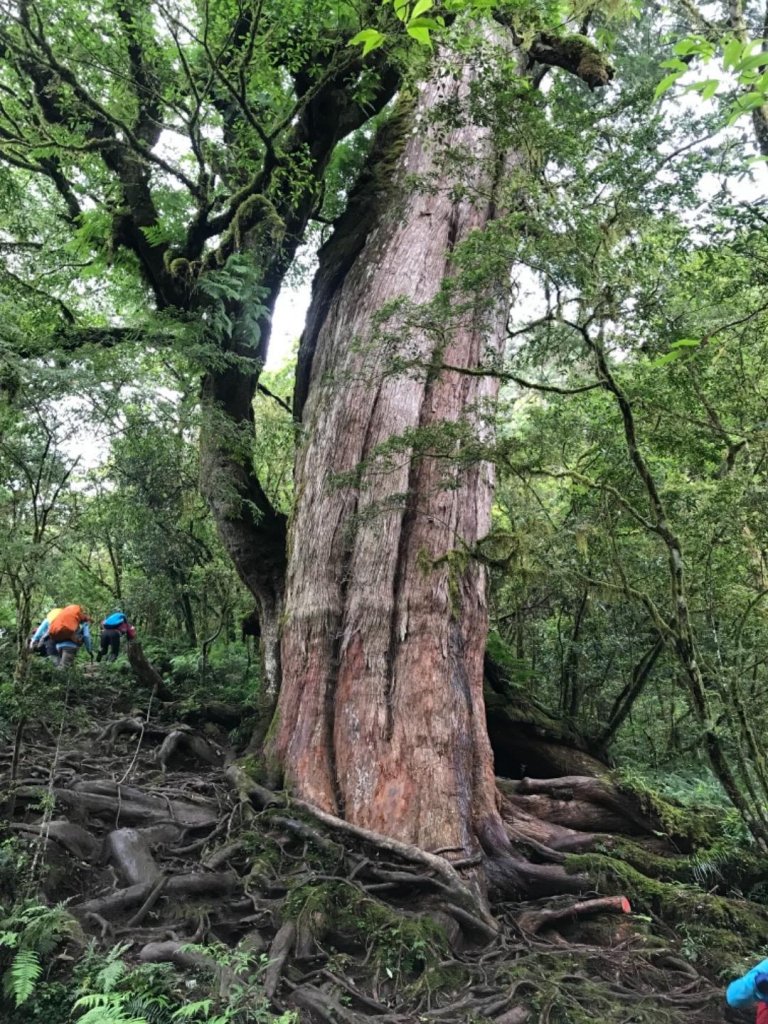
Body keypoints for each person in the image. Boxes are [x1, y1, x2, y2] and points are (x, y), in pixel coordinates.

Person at [47, 604, 92, 668]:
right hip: (70, 647)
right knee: (64, 668)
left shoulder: (68, 619)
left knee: (62, 666)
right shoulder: (84, 623)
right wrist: (89, 650)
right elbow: (86, 636)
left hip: (59, 646)